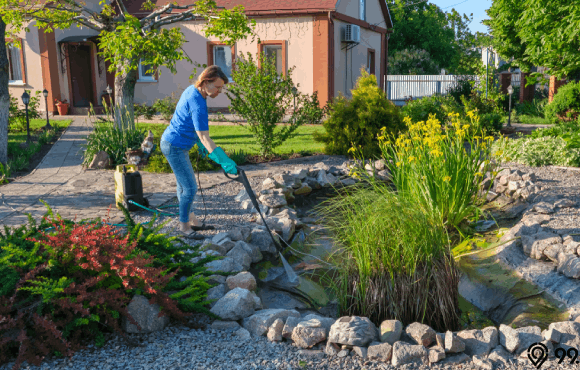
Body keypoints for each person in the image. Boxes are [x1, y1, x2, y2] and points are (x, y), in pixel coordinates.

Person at [160, 65, 238, 238]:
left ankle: (192, 221)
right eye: (217, 87)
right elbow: (204, 137)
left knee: (183, 186)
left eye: (221, 88)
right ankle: (184, 227)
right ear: (205, 82)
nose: (219, 91)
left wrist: (199, 143)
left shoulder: (192, 91)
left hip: (173, 142)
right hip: (174, 146)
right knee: (190, 188)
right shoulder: (198, 103)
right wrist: (224, 161)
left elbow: (187, 121)